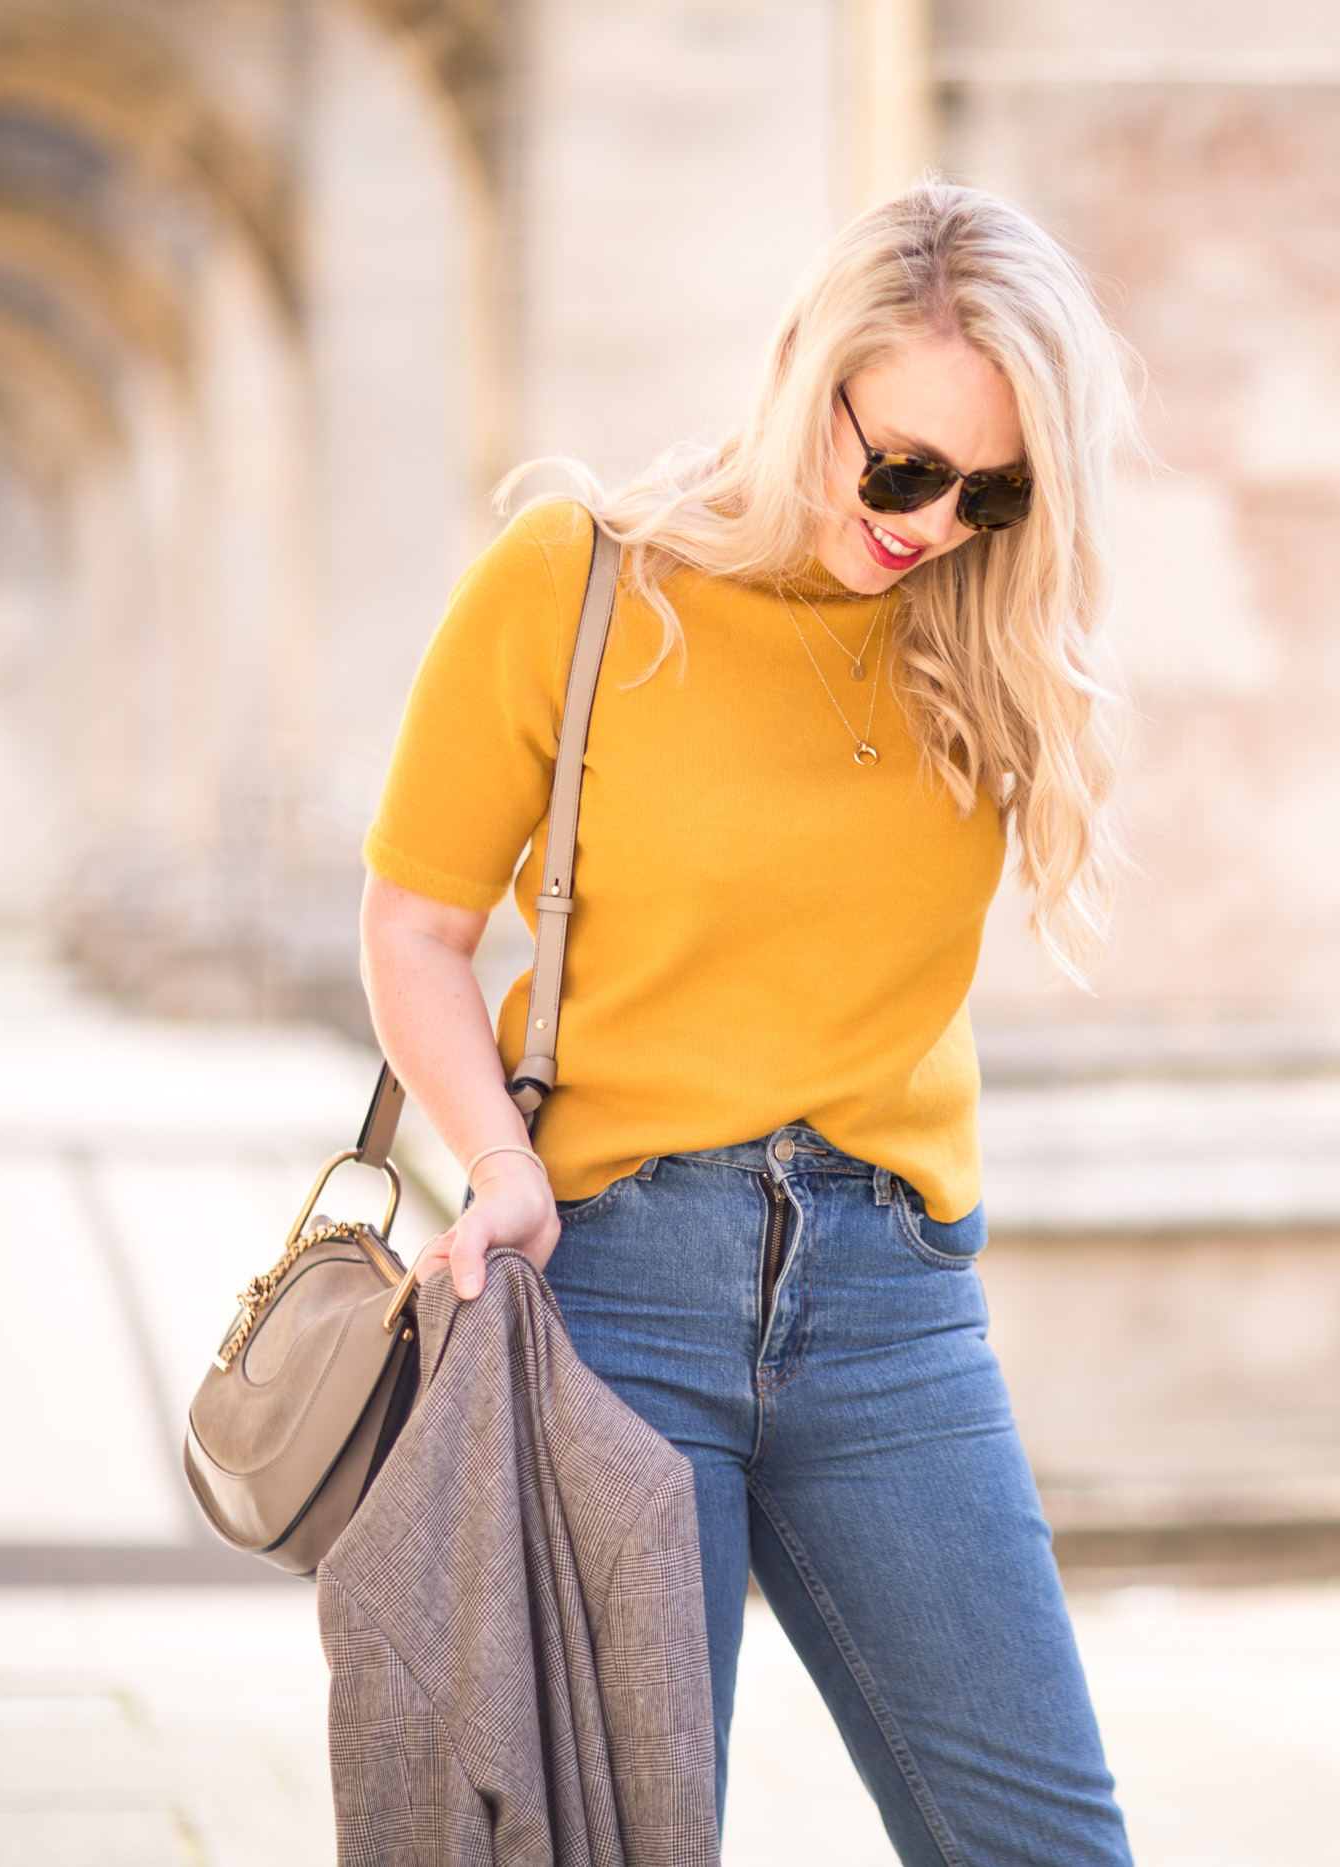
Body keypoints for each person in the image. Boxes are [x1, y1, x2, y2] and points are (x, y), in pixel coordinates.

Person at [356, 181, 1136, 1866]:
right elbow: (414, 926)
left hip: (889, 1306)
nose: (932, 522)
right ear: (804, 370)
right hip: (615, 1290)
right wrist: (492, 1160)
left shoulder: (979, 635)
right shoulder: (581, 588)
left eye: (991, 490)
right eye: (904, 468)